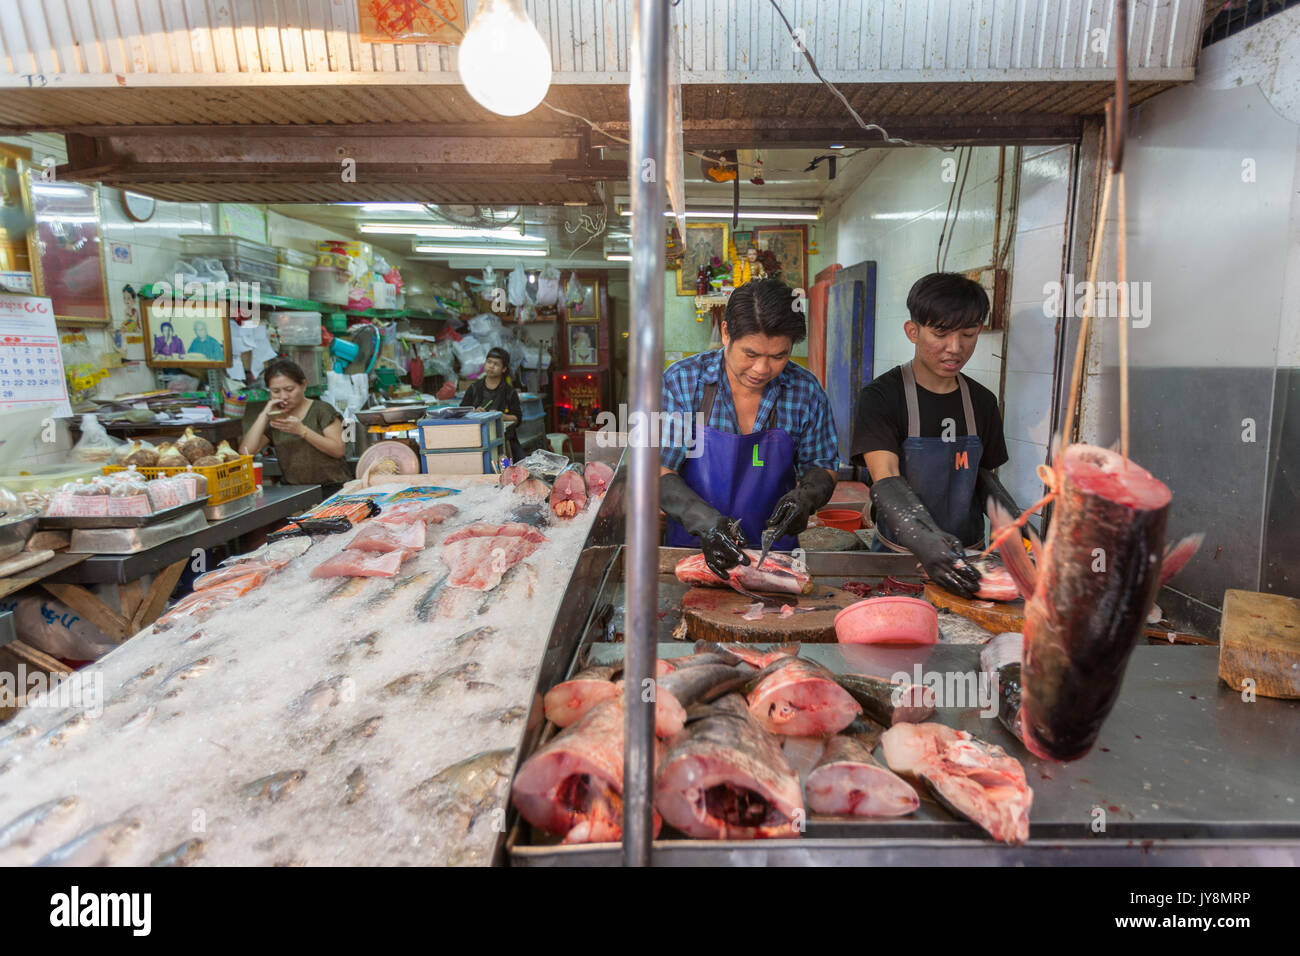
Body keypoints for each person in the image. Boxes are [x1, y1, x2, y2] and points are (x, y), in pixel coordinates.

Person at [851, 272, 1025, 599]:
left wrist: (1019, 526)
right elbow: (885, 476)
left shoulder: (982, 402)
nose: (955, 348)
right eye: (941, 334)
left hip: (969, 564)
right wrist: (926, 543)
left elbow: (982, 477)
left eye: (968, 334)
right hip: (900, 562)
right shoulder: (882, 396)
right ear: (913, 331)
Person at [660, 277, 839, 578]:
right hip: (695, 555)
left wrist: (806, 497)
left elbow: (824, 465)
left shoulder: (805, 390)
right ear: (727, 333)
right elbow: (657, 470)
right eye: (751, 354)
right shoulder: (682, 381)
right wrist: (704, 521)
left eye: (778, 356)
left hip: (776, 561)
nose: (762, 369)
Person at [240, 359, 351, 494]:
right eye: (275, 391)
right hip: (294, 492)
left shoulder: (322, 410)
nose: (283, 396)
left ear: (303, 385)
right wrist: (264, 414)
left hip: (332, 488)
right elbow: (246, 452)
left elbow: (338, 450)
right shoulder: (277, 419)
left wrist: (302, 430)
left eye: (289, 389)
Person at [460, 346, 523, 461]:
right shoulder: (474, 388)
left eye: (496, 364)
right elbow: (461, 412)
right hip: (476, 438)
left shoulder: (509, 392)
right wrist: (473, 412)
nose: (491, 366)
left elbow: (517, 419)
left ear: (504, 369)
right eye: (489, 362)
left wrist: (500, 416)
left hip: (504, 438)